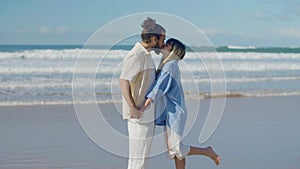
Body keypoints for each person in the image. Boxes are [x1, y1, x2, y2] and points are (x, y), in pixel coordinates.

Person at [140, 38, 221, 169]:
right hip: (172, 112)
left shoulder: (171, 65)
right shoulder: (168, 64)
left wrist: (145, 103)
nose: (164, 45)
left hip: (176, 112)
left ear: (173, 50)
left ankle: (207, 152)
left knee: (176, 148)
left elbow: (160, 87)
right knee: (175, 151)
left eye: (168, 44)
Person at [119, 17, 166, 169]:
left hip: (144, 114)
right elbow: (123, 80)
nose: (163, 43)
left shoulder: (145, 55)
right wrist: (132, 107)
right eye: (162, 39)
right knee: (138, 161)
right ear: (154, 38)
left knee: (139, 160)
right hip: (139, 115)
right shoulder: (137, 55)